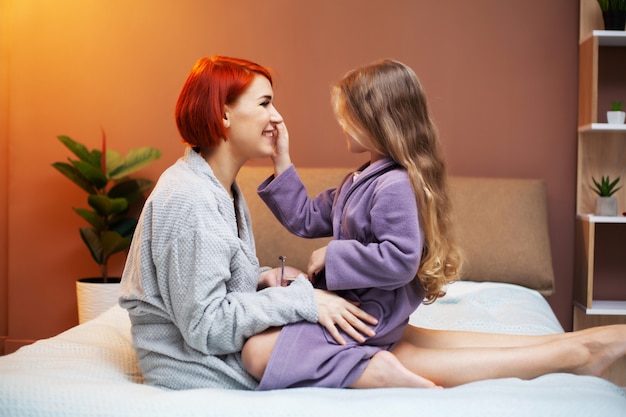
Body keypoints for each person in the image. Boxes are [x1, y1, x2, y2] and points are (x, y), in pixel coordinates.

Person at [241, 58, 626, 389]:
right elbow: (305, 217)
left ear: (375, 120)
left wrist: (334, 253)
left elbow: (401, 258)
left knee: (268, 349)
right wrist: (281, 159)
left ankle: (375, 367)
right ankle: (581, 346)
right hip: (371, 309)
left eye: (347, 116)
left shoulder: (393, 184)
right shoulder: (361, 180)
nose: (341, 124)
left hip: (370, 315)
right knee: (278, 332)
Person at [118, 56, 379, 390]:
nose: (277, 116)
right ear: (223, 113)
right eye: (264, 103)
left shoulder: (221, 188)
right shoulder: (190, 197)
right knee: (369, 341)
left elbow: (203, 278)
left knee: (375, 332)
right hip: (195, 367)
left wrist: (261, 278)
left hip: (216, 352)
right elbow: (206, 325)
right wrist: (302, 301)